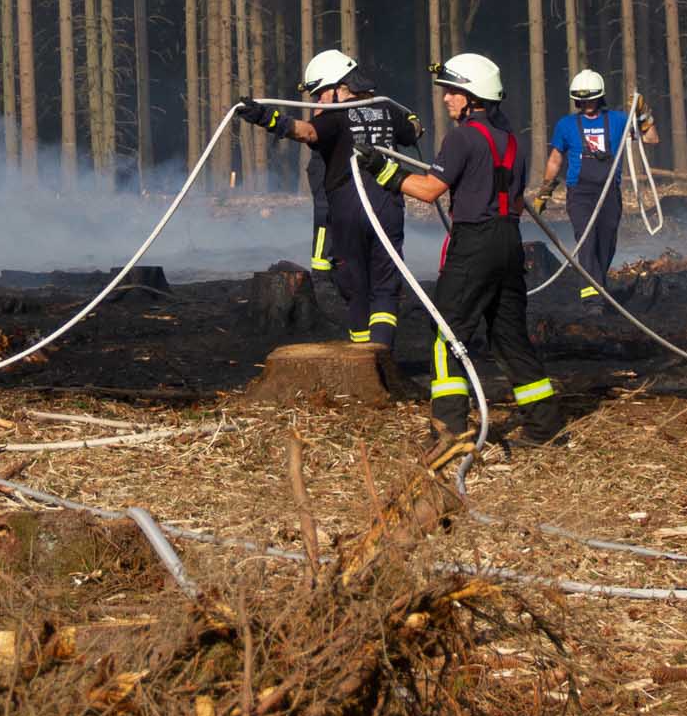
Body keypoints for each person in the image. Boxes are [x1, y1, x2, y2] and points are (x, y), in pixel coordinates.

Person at [381, 53, 563, 449]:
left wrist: (384, 172)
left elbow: (429, 190)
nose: (446, 98)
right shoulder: (512, 141)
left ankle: (450, 431)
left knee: (447, 336)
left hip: (474, 244)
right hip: (510, 243)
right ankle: (544, 427)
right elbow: (516, 204)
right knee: (510, 337)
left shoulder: (461, 138)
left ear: (473, 96)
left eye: (452, 91)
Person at [237, 49, 421, 363]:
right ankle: (381, 359)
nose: (318, 101)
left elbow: (306, 132)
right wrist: (412, 121)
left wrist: (267, 118)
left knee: (356, 287)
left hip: (348, 206)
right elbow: (413, 131)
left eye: (321, 93)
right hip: (387, 205)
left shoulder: (336, 115)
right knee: (385, 289)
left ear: (340, 86)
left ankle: (363, 363)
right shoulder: (387, 108)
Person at [537, 69, 655, 301]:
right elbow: (555, 159)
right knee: (586, 239)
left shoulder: (619, 120)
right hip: (579, 193)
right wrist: (545, 191)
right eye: (582, 100)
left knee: (606, 242)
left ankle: (598, 286)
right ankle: (591, 298)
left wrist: (642, 113)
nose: (587, 104)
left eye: (591, 99)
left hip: (609, 192)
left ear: (599, 97)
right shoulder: (566, 125)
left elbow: (651, 138)